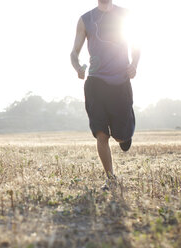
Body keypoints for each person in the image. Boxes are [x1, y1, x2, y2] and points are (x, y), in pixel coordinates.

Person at [70, 0, 140, 190]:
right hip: (95, 82)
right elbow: (74, 52)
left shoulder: (125, 14)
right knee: (101, 134)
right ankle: (111, 178)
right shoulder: (86, 19)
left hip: (120, 82)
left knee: (120, 138)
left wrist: (134, 65)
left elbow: (136, 45)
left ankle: (125, 135)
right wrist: (77, 68)